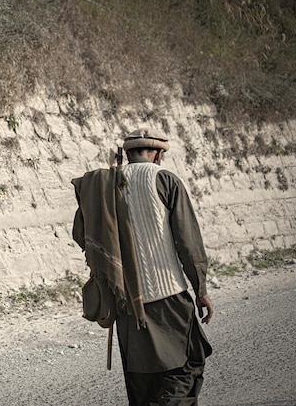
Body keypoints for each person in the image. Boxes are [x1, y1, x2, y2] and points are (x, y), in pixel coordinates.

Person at [71, 128, 214, 406]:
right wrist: (201, 289)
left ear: (127, 153)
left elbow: (81, 235)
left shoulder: (102, 185)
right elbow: (188, 242)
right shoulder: (165, 180)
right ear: (158, 154)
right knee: (187, 366)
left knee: (142, 387)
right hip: (168, 297)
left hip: (126, 304)